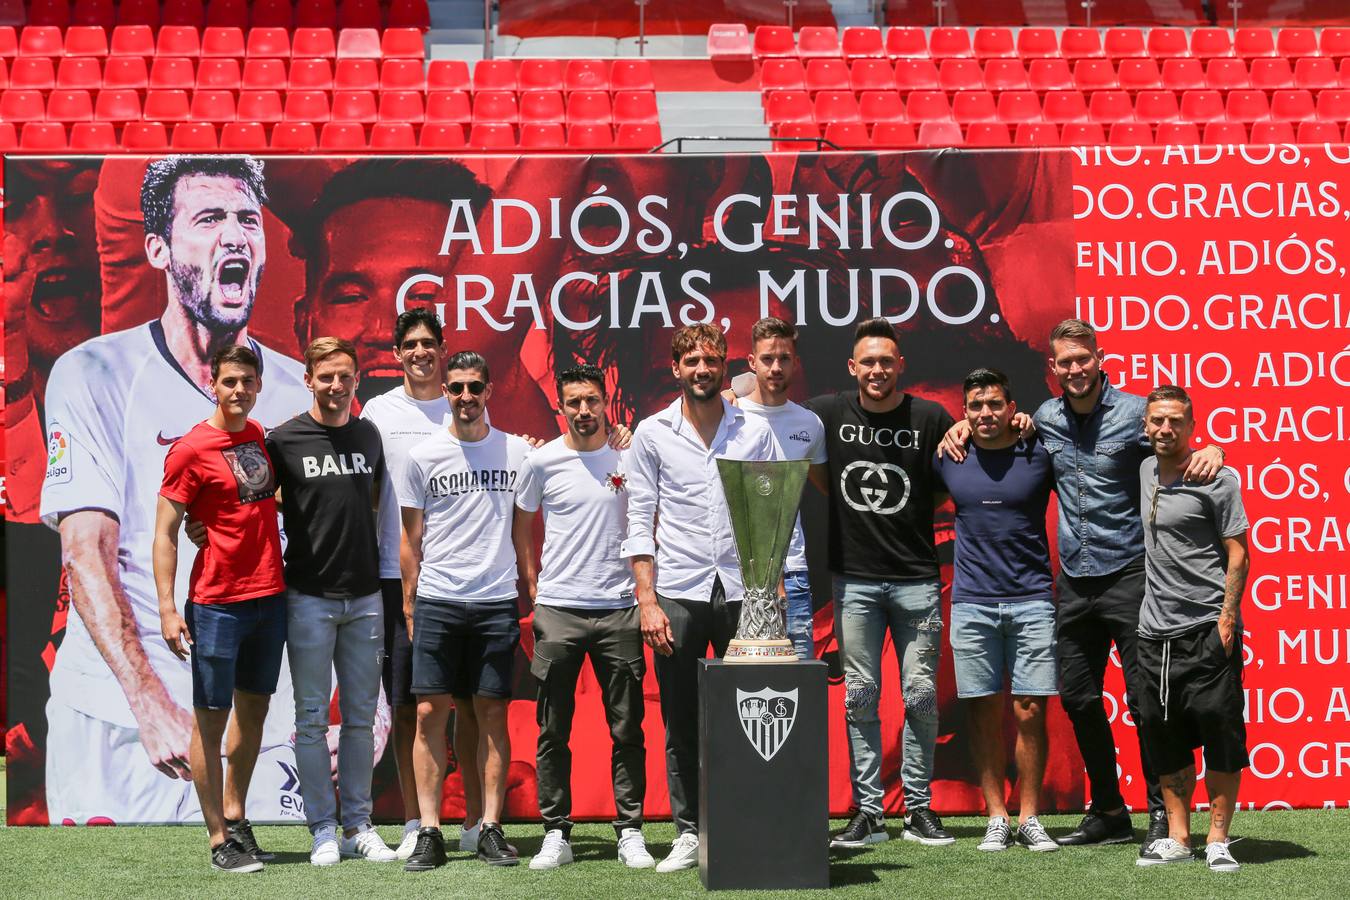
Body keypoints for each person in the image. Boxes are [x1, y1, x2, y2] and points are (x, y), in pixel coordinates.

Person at [40, 156, 310, 832]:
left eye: (248, 218)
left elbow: (321, 557)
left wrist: (343, 705)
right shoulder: (95, 373)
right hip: (125, 725)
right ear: (157, 247)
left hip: (263, 724)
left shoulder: (301, 391)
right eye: (209, 218)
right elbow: (87, 550)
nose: (235, 235)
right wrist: (148, 701)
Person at [940, 318, 1226, 850]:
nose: (1074, 369)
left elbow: (1175, 440)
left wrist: (1215, 452)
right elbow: (998, 430)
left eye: (1082, 358)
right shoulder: (1044, 418)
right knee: (1076, 697)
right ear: (1052, 369)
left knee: (1146, 701)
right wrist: (958, 427)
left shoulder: (1133, 412)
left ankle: (1162, 812)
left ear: (1099, 357)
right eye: (1064, 362)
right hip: (1073, 579)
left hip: (1130, 574)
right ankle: (1109, 811)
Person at [621, 323, 778, 873]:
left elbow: (770, 511)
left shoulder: (754, 430)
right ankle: (689, 831)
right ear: (676, 368)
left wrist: (773, 585)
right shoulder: (652, 432)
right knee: (682, 718)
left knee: (749, 714)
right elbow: (638, 517)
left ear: (724, 364)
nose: (702, 370)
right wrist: (647, 600)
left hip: (743, 591)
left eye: (711, 360)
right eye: (692, 362)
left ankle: (743, 823)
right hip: (679, 591)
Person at [809, 317, 956, 849]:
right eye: (867, 362)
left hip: (917, 578)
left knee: (919, 697)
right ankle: (869, 812)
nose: (877, 370)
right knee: (860, 698)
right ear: (853, 367)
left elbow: (947, 487)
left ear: (901, 366)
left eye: (885, 361)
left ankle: (918, 809)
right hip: (854, 581)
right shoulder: (827, 412)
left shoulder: (930, 416)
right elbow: (771, 418)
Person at [513, 364, 655, 871]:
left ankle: (630, 830)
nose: (583, 411)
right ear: (561, 405)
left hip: (619, 610)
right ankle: (556, 832)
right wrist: (533, 587)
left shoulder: (630, 454)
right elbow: (524, 522)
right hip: (559, 612)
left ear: (605, 401)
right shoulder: (542, 461)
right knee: (553, 729)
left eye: (592, 400)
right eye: (573, 401)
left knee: (627, 729)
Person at [151, 345, 287, 873]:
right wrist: (167, 610)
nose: (238, 390)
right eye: (229, 381)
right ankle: (216, 840)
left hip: (268, 599)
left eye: (247, 382)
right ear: (214, 384)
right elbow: (164, 533)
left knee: (252, 715)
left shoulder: (258, 437)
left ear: (257, 386)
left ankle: (236, 816)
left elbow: (254, 505)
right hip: (216, 606)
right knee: (210, 722)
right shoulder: (189, 449)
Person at [264, 337, 397, 866]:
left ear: (357, 379)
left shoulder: (369, 435)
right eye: (326, 377)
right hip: (309, 598)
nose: (336, 386)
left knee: (362, 718)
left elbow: (371, 503)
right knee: (313, 718)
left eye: (345, 376)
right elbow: (256, 500)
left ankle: (359, 825)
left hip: (365, 597)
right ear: (309, 380)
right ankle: (322, 828)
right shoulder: (284, 439)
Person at [399, 351, 531, 871]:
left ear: (490, 390)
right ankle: (430, 830)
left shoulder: (518, 452)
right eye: (456, 388)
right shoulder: (424, 457)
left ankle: (489, 827)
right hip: (439, 600)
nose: (466, 397)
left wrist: (528, 589)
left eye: (475, 387)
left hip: (496, 600)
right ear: (446, 391)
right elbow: (412, 541)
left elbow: (524, 535)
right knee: (431, 713)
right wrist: (411, 605)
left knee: (493, 711)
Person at [934, 369, 1057, 853]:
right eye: (976, 407)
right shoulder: (948, 455)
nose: (985, 414)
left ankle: (1029, 817)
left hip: (1032, 600)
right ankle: (996, 817)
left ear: (1011, 407)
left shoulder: (1039, 451)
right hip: (971, 603)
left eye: (995, 405)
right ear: (964, 412)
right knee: (982, 711)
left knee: (1030, 711)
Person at [358, 308, 460, 859]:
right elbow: (362, 487)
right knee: (402, 705)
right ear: (396, 353)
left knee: (459, 701)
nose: (420, 352)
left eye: (429, 343)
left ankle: (468, 822)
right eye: (410, 345)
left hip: (458, 580)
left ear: (442, 348)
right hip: (391, 578)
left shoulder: (463, 405)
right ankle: (415, 818)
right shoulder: (377, 411)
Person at [1133, 386, 1249, 871]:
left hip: (1206, 627)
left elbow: (1239, 552)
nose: (1165, 429)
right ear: (1146, 426)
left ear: (1191, 425)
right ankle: (1179, 838)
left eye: (1176, 421)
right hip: (1152, 633)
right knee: (1164, 734)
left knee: (1220, 731)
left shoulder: (1216, 478)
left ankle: (1218, 839)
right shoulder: (1143, 468)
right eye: (1157, 420)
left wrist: (1227, 617)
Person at [735, 317, 826, 660]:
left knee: (798, 683)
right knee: (742, 687)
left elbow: (825, 487)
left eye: (784, 359)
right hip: (738, 577)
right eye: (767, 359)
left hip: (794, 573)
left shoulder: (808, 423)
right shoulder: (729, 415)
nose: (776, 367)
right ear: (752, 362)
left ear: (796, 363)